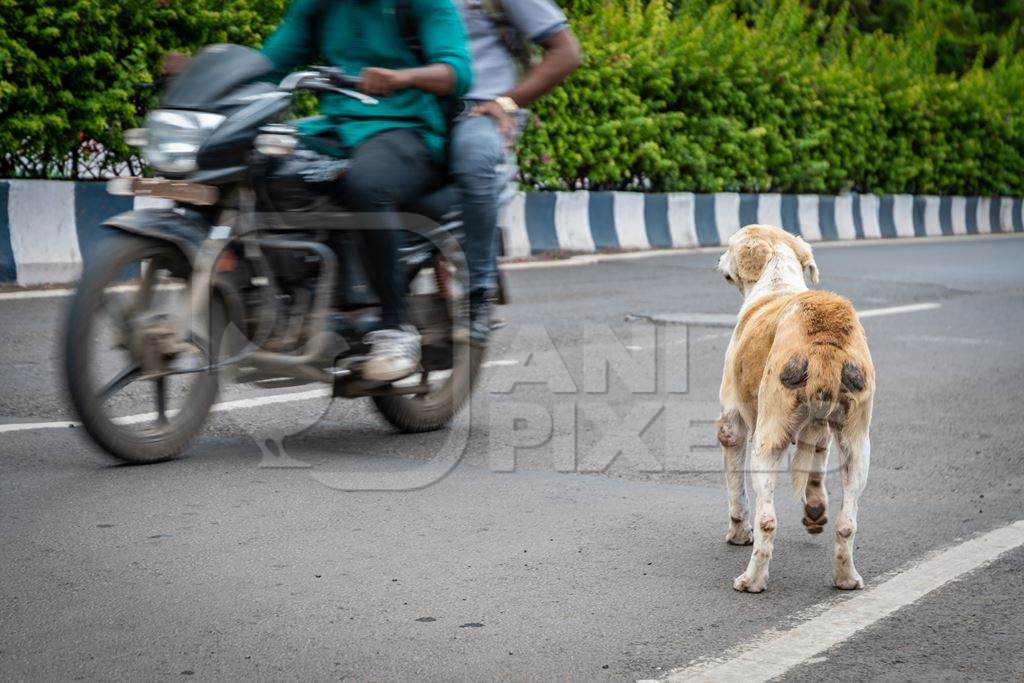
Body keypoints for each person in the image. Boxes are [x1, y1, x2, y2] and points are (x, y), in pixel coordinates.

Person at [260, 0, 473, 381]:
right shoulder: (318, 6)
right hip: (337, 128)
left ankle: (395, 327)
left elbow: (457, 71)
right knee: (267, 165)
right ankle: (296, 304)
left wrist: (401, 78)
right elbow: (270, 63)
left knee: (367, 184)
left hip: (409, 129)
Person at [451, 0, 581, 345]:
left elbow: (566, 52)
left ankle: (477, 293)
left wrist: (506, 103)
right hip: (414, 107)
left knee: (474, 162)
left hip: (478, 114)